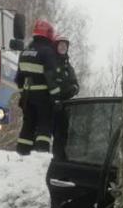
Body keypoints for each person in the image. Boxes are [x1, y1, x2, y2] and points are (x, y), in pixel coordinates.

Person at [14, 19, 78, 155]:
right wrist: (55, 98)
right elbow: (50, 77)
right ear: (49, 34)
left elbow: (19, 78)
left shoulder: (24, 52)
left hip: (27, 96)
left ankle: (21, 153)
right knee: (44, 125)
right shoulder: (47, 52)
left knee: (28, 124)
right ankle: (40, 154)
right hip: (43, 96)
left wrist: (22, 94)